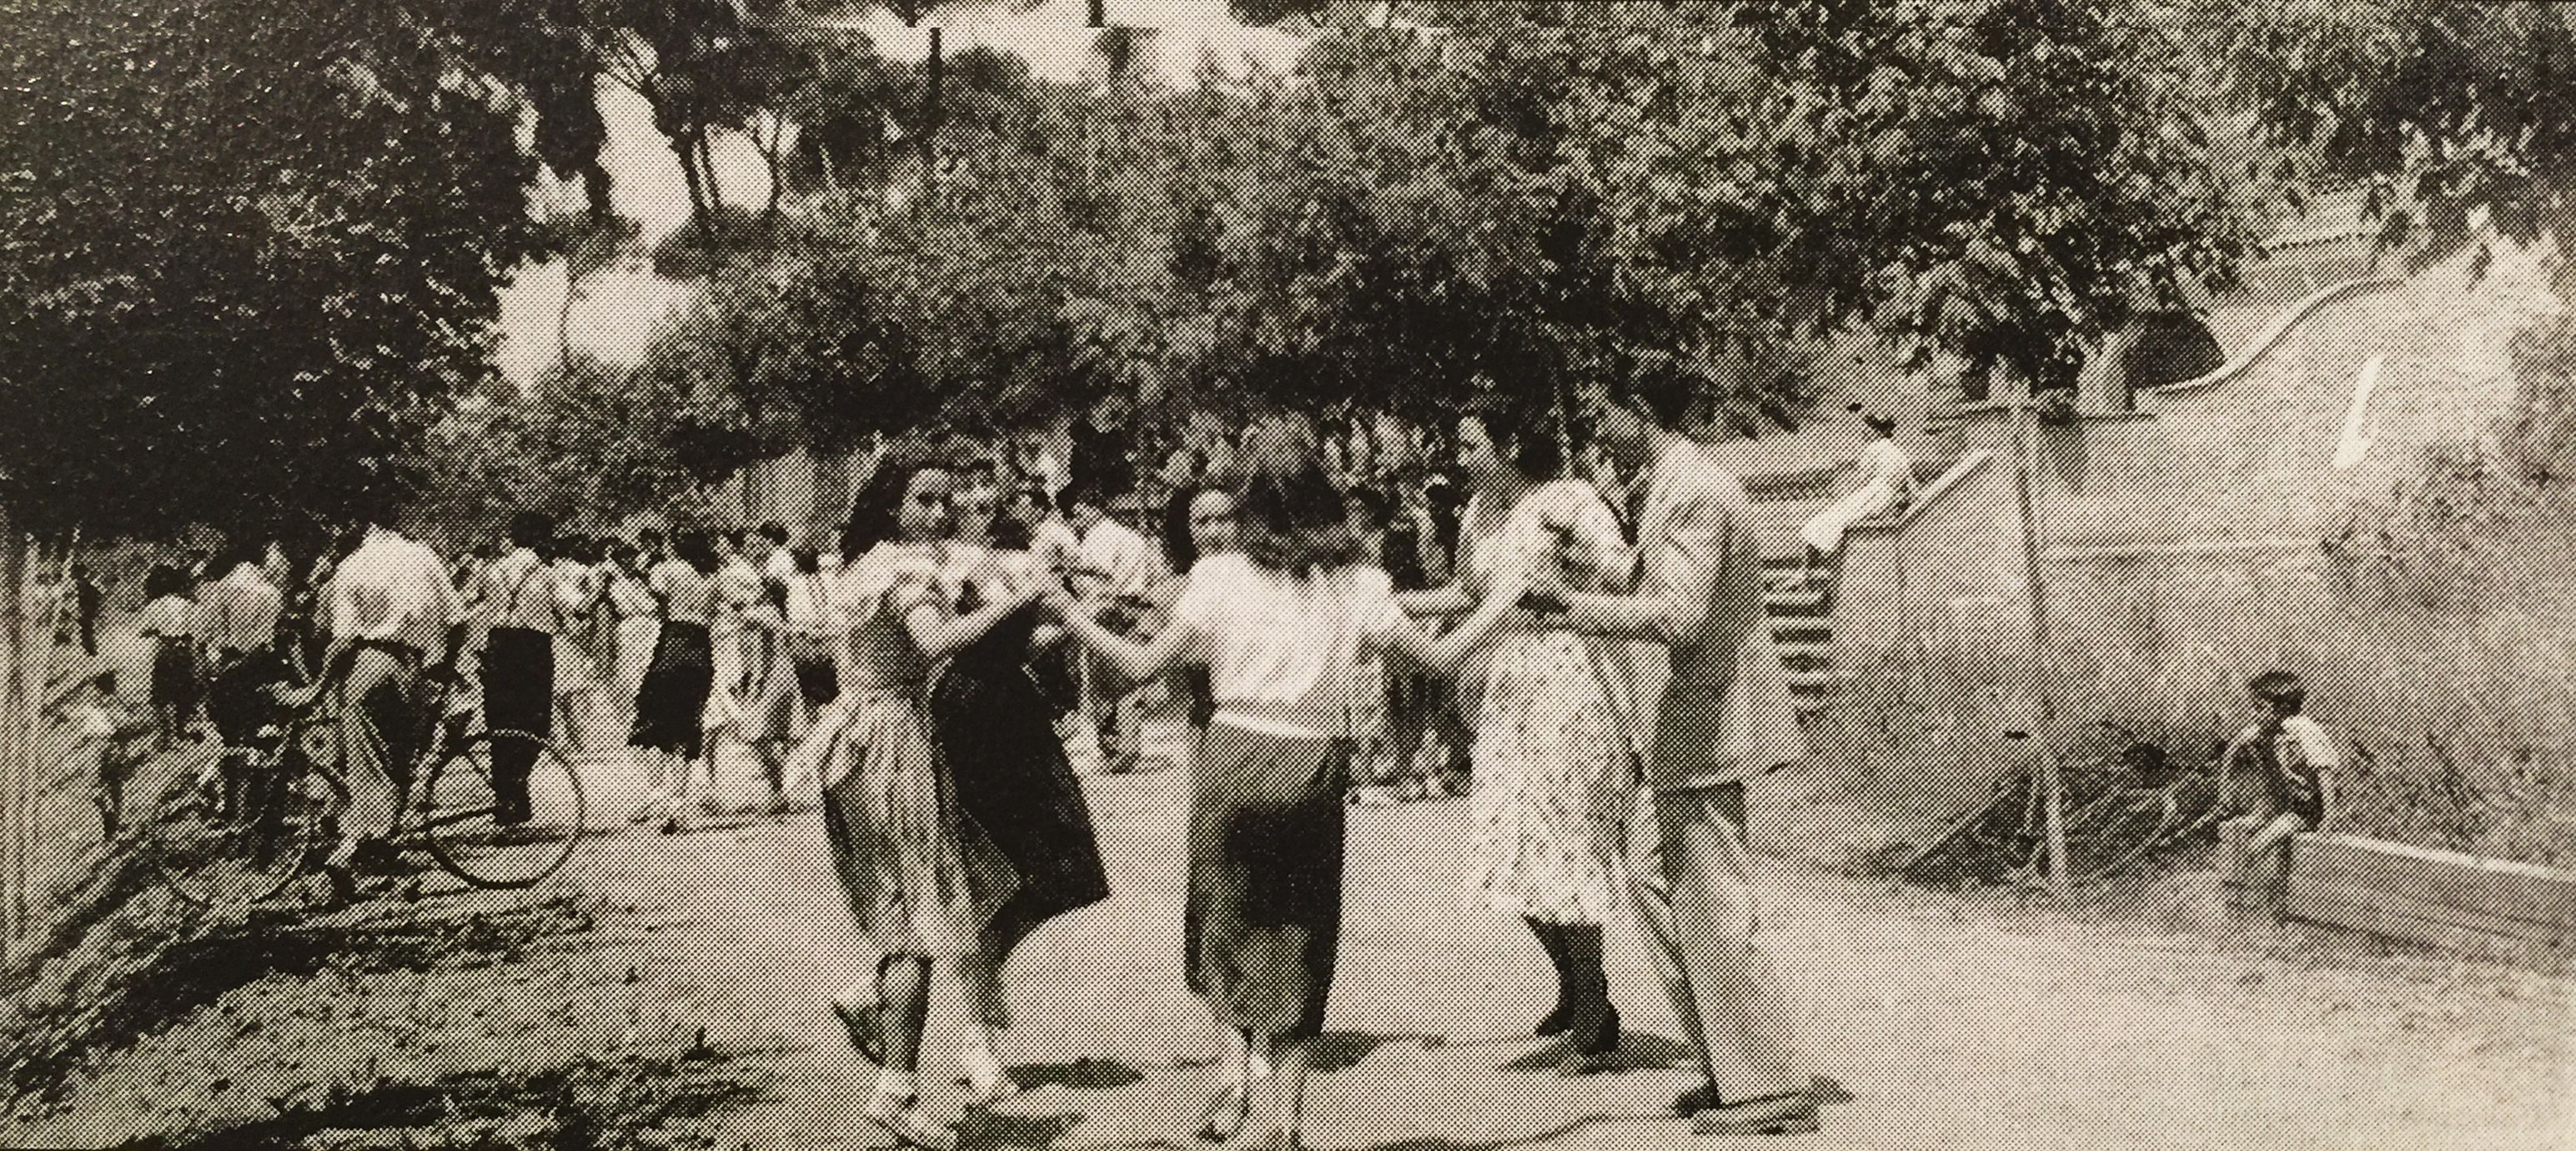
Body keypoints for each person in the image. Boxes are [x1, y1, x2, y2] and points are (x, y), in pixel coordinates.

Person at [1044, 422, 1528, 1151]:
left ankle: (1241, 1084)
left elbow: (1142, 668)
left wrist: (1068, 614)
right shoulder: (1358, 583)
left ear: (1249, 505)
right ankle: (1284, 1121)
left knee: (1228, 927)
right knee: (1299, 936)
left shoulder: (1217, 577)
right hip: (1316, 763)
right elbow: (1434, 659)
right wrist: (1506, 602)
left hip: (1234, 756)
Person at [1531, 364, 1820, 1137]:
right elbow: (1653, 577)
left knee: (1714, 903)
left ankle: (1766, 1085)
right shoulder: (1670, 480)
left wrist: (1570, 609)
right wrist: (1594, 568)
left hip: (1712, 720)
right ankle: (1727, 1067)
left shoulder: (1693, 486)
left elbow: (1681, 615)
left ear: (1638, 409)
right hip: (1687, 723)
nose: (1594, 428)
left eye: (1603, 412)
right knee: (1666, 891)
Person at [1401, 395, 1640, 1073]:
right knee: (1508, 843)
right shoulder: (1479, 515)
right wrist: (1383, 605)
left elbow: (1627, 574)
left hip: (1568, 680)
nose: (1460, 457)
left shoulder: (1568, 500)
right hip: (1507, 687)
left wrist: (1578, 562)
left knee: (1563, 839)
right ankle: (1571, 983)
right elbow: (1466, 595)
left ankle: (1595, 1013)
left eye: (1470, 444)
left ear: (1507, 443)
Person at [800, 457, 1031, 1150]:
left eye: (946, 503)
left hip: (860, 735)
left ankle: (875, 1004)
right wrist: (1012, 601)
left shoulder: (871, 565)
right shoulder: (902, 573)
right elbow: (933, 642)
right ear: (892, 507)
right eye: (923, 502)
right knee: (920, 920)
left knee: (908, 903)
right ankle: (895, 1090)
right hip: (890, 739)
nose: (938, 514)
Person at [926, 477, 1111, 1101]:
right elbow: (946, 645)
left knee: (1058, 858)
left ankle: (988, 971)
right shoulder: (936, 570)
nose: (978, 514)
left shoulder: (1009, 562)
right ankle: (978, 1039)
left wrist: (1073, 623)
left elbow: (1018, 644)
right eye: (966, 505)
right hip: (967, 713)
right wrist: (1021, 597)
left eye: (987, 503)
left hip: (1014, 708)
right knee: (984, 872)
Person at [308, 517, 465, 902]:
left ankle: (348, 854)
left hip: (368, 665)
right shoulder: (422, 555)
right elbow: (458, 619)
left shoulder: (353, 565)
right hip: (411, 665)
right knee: (400, 762)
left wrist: (318, 687)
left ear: (361, 530)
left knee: (366, 766)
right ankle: (379, 849)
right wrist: (446, 666)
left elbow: (343, 641)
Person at [472, 512, 568, 827]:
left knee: (499, 720)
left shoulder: (492, 570)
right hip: (533, 649)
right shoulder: (547, 573)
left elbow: (473, 605)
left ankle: (504, 795)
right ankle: (518, 785)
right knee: (535, 722)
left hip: (499, 645)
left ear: (512, 537)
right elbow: (575, 607)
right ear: (540, 538)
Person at [1065, 480, 1166, 774]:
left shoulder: (1099, 537)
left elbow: (1099, 577)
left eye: (1078, 513)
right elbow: (1155, 577)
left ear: (1089, 509)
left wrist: (1070, 568)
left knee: (1105, 684)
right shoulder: (1135, 537)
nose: (1076, 520)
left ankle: (1117, 747)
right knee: (1129, 680)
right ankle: (1128, 744)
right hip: (1137, 609)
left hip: (1108, 612)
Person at [2220, 671, 2337, 910]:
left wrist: (2329, 817)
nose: (2253, 714)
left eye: (2259, 707)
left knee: (2255, 848)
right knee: (2255, 840)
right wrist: (2225, 790)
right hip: (2285, 805)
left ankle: (2251, 905)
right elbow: (2235, 745)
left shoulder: (2305, 731)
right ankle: (2259, 903)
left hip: (2306, 810)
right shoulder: (2272, 728)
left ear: (2282, 707)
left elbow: (2324, 772)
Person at [630, 530, 721, 832]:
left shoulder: (668, 568)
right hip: (701, 650)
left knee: (655, 725)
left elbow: (655, 592)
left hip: (672, 645)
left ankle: (657, 796)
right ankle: (677, 806)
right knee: (686, 729)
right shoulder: (714, 574)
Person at [198, 543, 289, 823]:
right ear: (261, 561)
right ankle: (257, 810)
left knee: (230, 743)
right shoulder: (271, 594)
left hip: (225, 674)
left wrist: (206, 676)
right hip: (258, 674)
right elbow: (269, 643)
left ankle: (231, 809)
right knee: (260, 741)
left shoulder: (219, 590)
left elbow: (203, 638)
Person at [1791, 412, 1913, 590]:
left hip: (1872, 498)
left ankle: (1806, 576)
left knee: (1818, 523)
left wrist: (1842, 500)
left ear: (1877, 432)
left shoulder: (1872, 449)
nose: (1863, 433)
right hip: (1886, 501)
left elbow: (1861, 481)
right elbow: (1910, 485)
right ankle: (1811, 575)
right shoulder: (1898, 452)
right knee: (1832, 525)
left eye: (1867, 430)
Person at [56, 671, 152, 840]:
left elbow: (72, 719)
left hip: (94, 750)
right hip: (110, 747)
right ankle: (115, 820)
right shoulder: (114, 704)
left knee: (99, 788)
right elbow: (125, 726)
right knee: (115, 787)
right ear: (113, 686)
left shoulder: (92, 705)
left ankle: (110, 819)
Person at [137, 564, 204, 752]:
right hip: (185, 652)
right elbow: (198, 631)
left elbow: (143, 631)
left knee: (161, 695)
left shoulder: (155, 606)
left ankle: (166, 736)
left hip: (165, 652)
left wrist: (159, 630)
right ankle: (181, 729)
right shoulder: (189, 605)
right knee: (183, 691)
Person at [68, 562, 102, 657]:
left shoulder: (86, 587)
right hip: (84, 611)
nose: (72, 574)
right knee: (85, 631)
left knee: (86, 631)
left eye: (74, 572)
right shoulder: (82, 586)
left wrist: (87, 610)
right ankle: (89, 650)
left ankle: (90, 650)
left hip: (86, 611)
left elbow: (93, 599)